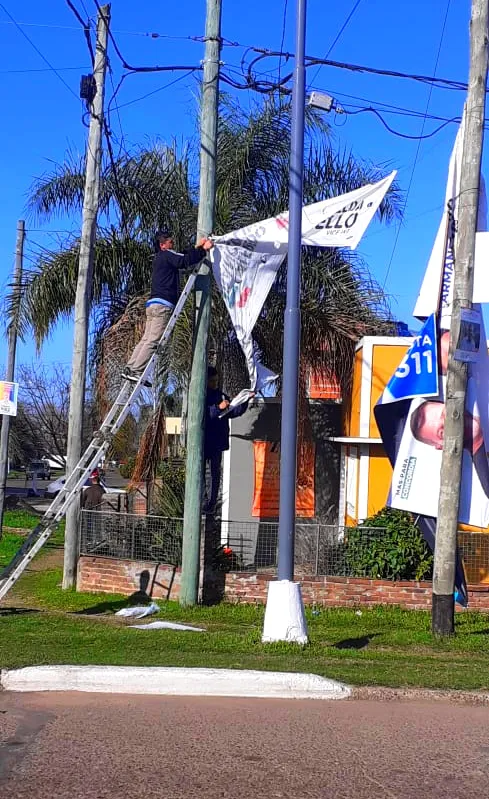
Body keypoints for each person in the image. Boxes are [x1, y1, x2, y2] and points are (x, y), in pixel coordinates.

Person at [123, 229, 214, 381]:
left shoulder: (161, 258)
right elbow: (184, 261)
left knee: (146, 339)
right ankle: (136, 370)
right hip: (163, 306)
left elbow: (182, 256)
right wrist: (203, 251)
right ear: (162, 245)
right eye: (170, 242)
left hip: (153, 304)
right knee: (153, 340)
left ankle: (131, 367)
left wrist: (197, 247)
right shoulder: (166, 255)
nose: (173, 244)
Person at [204, 366, 253, 513]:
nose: (215, 383)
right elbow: (203, 415)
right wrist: (218, 408)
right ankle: (203, 503)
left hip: (217, 443)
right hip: (203, 443)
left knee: (215, 475)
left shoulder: (220, 395)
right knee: (203, 475)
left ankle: (211, 503)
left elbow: (233, 411)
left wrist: (245, 401)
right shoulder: (201, 395)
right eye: (212, 381)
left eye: (216, 381)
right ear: (205, 381)